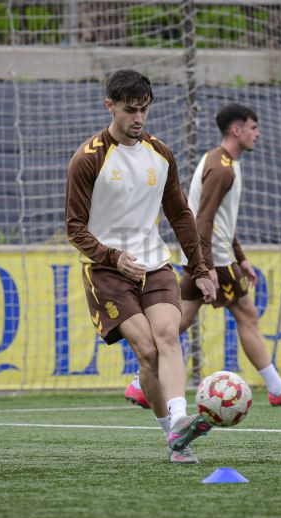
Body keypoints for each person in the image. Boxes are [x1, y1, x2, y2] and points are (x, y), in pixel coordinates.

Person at [66, 69, 216, 465]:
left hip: (154, 263)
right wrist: (113, 257)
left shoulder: (160, 154)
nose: (138, 118)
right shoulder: (88, 159)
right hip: (106, 271)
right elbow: (74, 228)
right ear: (109, 106)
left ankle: (182, 425)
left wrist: (199, 269)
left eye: (144, 110)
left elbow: (181, 214)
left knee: (168, 335)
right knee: (147, 351)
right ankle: (172, 435)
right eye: (130, 110)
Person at [124, 103, 281, 410]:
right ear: (236, 130)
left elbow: (222, 221)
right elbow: (203, 220)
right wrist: (207, 267)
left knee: (179, 322)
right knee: (247, 315)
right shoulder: (223, 169)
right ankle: (277, 388)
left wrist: (241, 258)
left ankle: (138, 384)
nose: (258, 133)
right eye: (253, 128)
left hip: (213, 256)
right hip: (214, 259)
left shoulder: (222, 161)